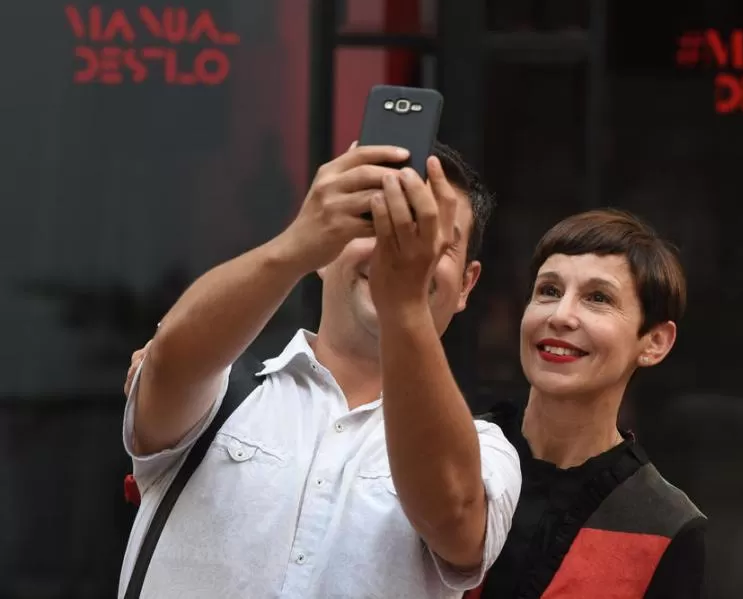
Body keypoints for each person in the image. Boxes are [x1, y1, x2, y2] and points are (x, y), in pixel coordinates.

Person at [119, 142, 521, 598]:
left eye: (433, 242)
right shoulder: (224, 387)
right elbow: (170, 364)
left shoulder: (488, 452)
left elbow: (453, 517)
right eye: (374, 223)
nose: (399, 250)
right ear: (326, 250)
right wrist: (296, 244)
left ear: (467, 285)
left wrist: (403, 305)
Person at [467, 209, 707, 599]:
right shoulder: (450, 456)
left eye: (598, 298)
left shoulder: (665, 524)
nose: (561, 316)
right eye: (548, 291)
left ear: (655, 342)